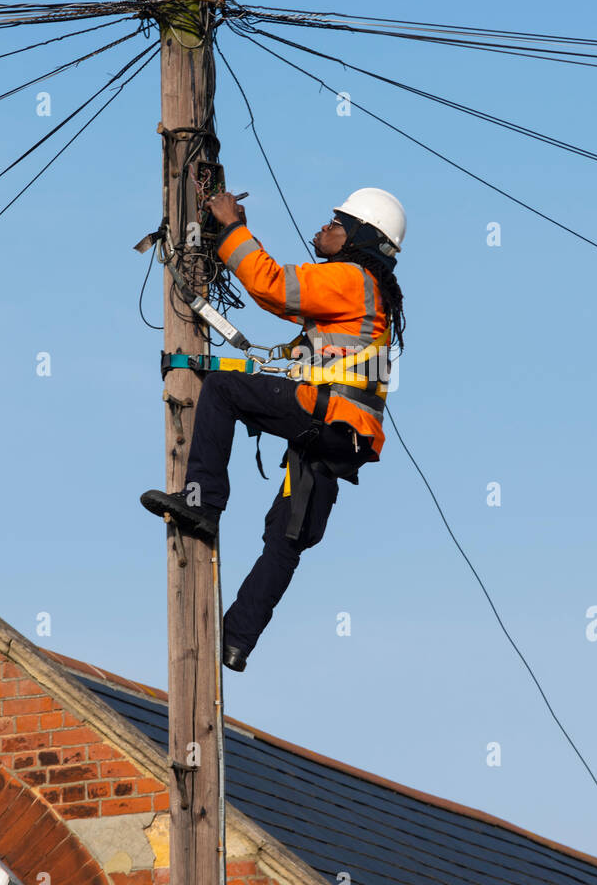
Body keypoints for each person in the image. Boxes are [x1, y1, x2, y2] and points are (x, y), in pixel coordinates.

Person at [140, 186, 407, 671]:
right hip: (345, 437)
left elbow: (276, 288)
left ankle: (202, 502)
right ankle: (236, 639)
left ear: (361, 238)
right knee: (286, 538)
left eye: (337, 223)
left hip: (324, 415)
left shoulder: (351, 278)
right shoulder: (365, 295)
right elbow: (293, 329)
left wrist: (227, 227)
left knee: (222, 389)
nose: (325, 228)